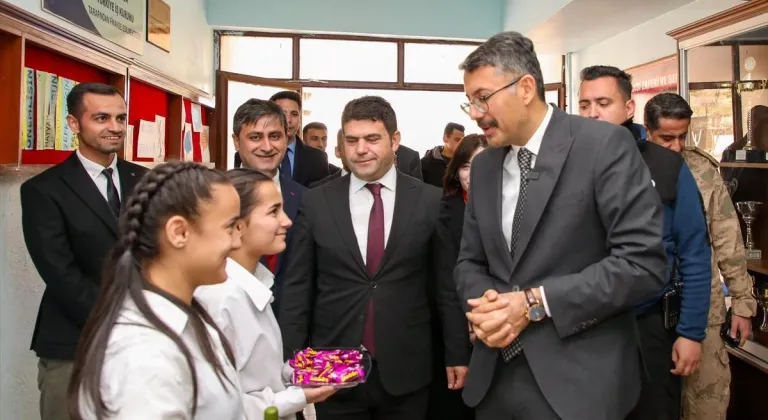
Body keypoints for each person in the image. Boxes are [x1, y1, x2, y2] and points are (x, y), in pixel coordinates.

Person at [456, 32, 668, 420]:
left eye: (482, 97)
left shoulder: (602, 146)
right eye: (469, 100)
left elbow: (643, 265)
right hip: (496, 381)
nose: (474, 112)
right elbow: (469, 262)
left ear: (525, 87)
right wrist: (490, 307)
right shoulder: (485, 165)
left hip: (580, 383)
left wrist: (533, 303)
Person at [279, 96, 470, 420]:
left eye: (372, 139)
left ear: (395, 140)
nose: (361, 149)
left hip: (407, 364)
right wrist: (291, 359)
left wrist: (457, 353)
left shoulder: (428, 200)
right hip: (332, 367)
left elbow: (445, 287)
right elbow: (298, 287)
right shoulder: (318, 202)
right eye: (351, 140)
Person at [579, 68, 712, 420]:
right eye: (585, 104)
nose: (593, 112)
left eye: (603, 103)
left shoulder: (665, 165)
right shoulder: (565, 165)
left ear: (628, 108)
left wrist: (690, 332)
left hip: (648, 326)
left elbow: (695, 252)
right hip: (584, 326)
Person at [67, 162, 244, 419]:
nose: (238, 242)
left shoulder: (186, 318)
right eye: (230, 228)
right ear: (179, 232)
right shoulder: (143, 356)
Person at [20, 82, 148, 420]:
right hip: (74, 343)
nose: (115, 127)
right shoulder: (44, 190)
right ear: (74, 124)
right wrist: (120, 322)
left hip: (144, 341)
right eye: (102, 118)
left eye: (121, 118)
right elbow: (60, 274)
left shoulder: (146, 180)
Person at [641, 93, 757, 420]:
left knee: (705, 404)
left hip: (703, 308)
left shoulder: (702, 170)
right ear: (648, 131)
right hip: (647, 311)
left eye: (682, 136)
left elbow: (728, 238)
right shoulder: (628, 168)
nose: (676, 146)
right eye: (666, 138)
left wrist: (743, 303)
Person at [195, 169, 336, 419]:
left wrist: (299, 371)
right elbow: (217, 408)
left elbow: (256, 373)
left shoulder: (257, 282)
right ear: (237, 226)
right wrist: (298, 397)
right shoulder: (220, 298)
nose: (287, 221)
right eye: (273, 212)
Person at [431, 134, 487, 420]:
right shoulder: (444, 211)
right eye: (465, 166)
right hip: (457, 334)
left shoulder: (519, 209)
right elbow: (445, 284)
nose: (472, 174)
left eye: (481, 164)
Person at [231, 98, 305, 315]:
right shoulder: (213, 196)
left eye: (275, 136)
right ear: (236, 142)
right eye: (255, 137)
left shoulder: (307, 200)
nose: (267, 146)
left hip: (292, 329)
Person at [269, 91, 330, 187]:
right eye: (283, 114)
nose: (288, 120)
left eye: (294, 114)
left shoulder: (318, 158)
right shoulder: (259, 153)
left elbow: (321, 197)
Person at [421, 122, 465, 187]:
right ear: (445, 139)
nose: (461, 144)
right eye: (457, 140)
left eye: (462, 140)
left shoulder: (465, 163)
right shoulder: (425, 163)